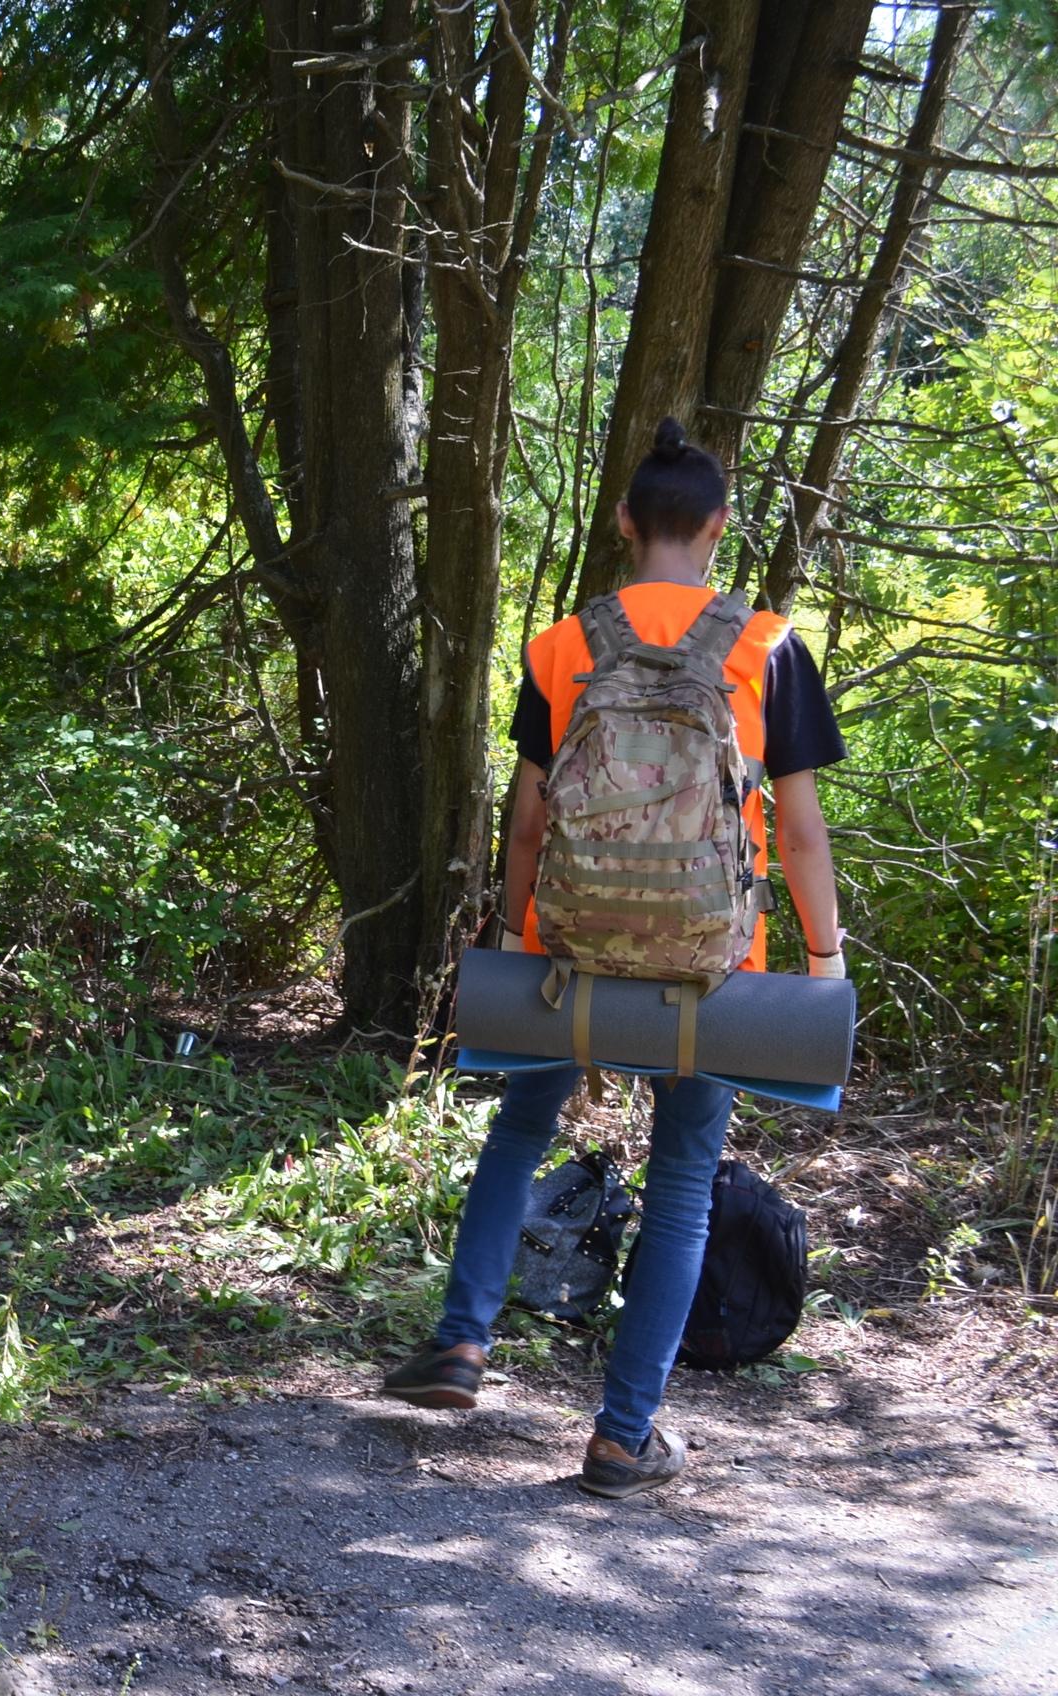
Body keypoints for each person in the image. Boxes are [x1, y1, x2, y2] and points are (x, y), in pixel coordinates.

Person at [380, 418, 848, 1499]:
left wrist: (510, 934)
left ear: (624, 522)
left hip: (565, 953)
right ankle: (621, 1437)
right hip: (711, 969)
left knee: (522, 1126)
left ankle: (461, 1341)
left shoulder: (561, 645)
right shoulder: (766, 648)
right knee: (682, 1181)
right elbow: (801, 829)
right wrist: (821, 960)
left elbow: (532, 820)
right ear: (719, 528)